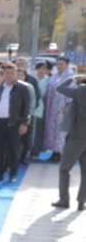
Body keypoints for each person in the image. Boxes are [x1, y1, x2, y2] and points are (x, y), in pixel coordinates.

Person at [0, 64, 30, 183]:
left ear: (16, 74)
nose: (9, 75)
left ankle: (13, 174)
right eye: (7, 73)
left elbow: (27, 107)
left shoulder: (22, 88)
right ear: (3, 75)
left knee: (14, 150)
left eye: (12, 73)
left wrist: (24, 123)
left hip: (14, 123)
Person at [52, 74, 86, 211]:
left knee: (64, 169)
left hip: (77, 135)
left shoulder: (82, 90)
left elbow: (60, 88)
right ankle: (81, 201)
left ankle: (64, 200)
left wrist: (73, 78)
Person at [44, 57, 74, 159]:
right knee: (53, 129)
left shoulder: (70, 77)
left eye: (61, 64)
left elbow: (71, 92)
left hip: (63, 107)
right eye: (58, 64)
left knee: (61, 130)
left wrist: (67, 106)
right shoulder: (55, 76)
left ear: (66, 64)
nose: (59, 66)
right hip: (53, 106)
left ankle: (60, 152)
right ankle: (54, 151)